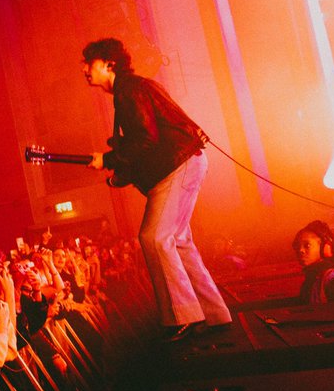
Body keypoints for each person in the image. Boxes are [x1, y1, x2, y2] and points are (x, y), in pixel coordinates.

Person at [81, 38, 232, 341]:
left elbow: (146, 140)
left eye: (90, 63)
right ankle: (213, 313)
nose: (85, 69)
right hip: (182, 162)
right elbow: (147, 142)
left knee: (154, 237)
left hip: (177, 166)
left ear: (109, 63)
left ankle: (183, 316)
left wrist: (109, 158)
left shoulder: (128, 91)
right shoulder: (130, 89)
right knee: (177, 240)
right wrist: (118, 172)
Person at [292, 220, 334, 303]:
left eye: (307, 245)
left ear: (324, 247)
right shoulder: (311, 280)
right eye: (297, 246)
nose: (300, 250)